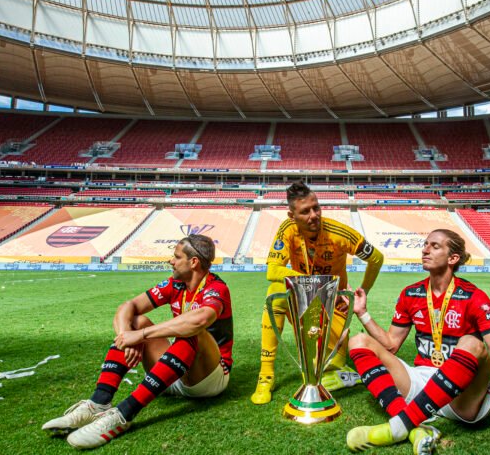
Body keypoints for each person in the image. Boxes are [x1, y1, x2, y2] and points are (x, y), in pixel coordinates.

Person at [345, 229, 490, 453]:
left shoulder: (474, 297)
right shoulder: (410, 294)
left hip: (461, 397)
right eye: (425, 244)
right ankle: (413, 427)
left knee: (471, 343)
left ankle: (398, 426)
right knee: (358, 341)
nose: (425, 249)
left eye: (434, 246)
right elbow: (391, 344)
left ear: (453, 258)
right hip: (420, 383)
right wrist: (363, 313)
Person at [42, 234, 233, 450]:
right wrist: (127, 336)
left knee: (192, 330)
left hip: (207, 380)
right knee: (136, 320)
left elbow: (200, 320)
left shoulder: (216, 288)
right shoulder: (175, 284)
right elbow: (128, 306)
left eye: (176, 256)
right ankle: (98, 403)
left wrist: (141, 336)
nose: (171, 260)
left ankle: (123, 415)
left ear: (193, 262)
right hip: (173, 374)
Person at [251, 181, 385, 404]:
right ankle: (266, 376)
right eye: (305, 211)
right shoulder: (287, 229)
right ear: (291, 215)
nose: (314, 215)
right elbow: (273, 270)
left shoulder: (339, 233)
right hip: (305, 302)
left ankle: (334, 368)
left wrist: (365, 291)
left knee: (329, 367)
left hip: (333, 309)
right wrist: (315, 284)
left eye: (317, 207)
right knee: (274, 291)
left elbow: (377, 258)